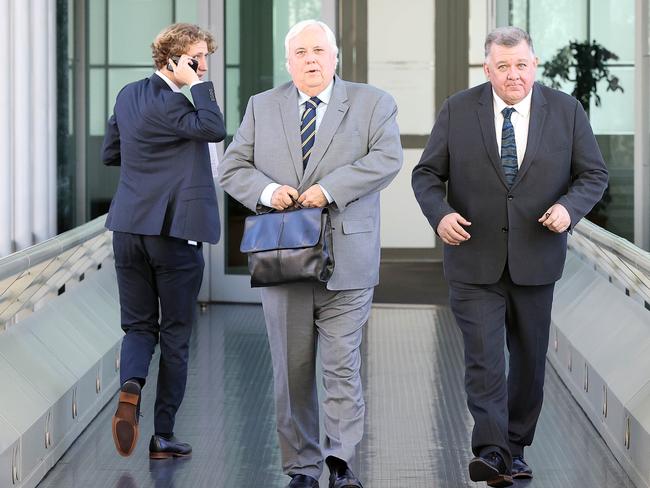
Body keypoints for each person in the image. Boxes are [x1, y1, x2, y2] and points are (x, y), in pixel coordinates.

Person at [412, 26, 608, 487]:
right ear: (488, 69)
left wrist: (568, 208)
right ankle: (493, 452)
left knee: (529, 362)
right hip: (472, 258)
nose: (513, 74)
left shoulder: (566, 110)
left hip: (537, 259)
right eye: (503, 66)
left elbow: (593, 175)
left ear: (534, 65)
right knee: (484, 360)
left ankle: (516, 447)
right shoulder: (460, 109)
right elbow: (425, 175)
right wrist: (439, 216)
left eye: (521, 64)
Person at [219, 19, 402, 488]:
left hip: (349, 262)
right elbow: (232, 166)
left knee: (342, 368)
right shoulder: (263, 106)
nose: (311, 60)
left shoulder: (372, 103)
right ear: (288, 62)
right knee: (291, 373)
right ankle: (301, 467)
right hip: (284, 261)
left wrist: (329, 190)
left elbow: (387, 159)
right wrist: (268, 190)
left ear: (335, 56)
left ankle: (340, 462)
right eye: (300, 53)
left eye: (318, 51)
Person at [102, 23, 225, 459]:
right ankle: (163, 436)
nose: (203, 66)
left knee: (138, 326)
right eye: (197, 59)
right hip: (173, 233)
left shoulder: (127, 95)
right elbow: (214, 127)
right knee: (175, 334)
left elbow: (110, 153)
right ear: (173, 59)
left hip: (128, 229)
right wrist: (199, 85)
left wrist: (149, 166)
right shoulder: (177, 103)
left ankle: (131, 385)